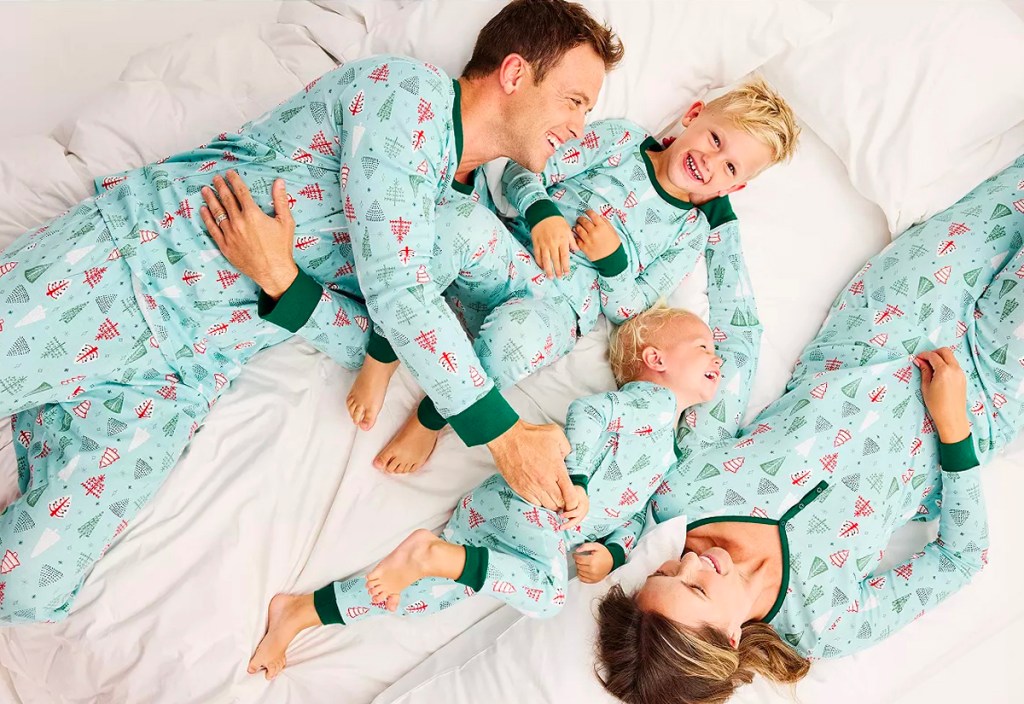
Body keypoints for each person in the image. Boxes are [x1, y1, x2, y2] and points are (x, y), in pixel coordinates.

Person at [0, 0, 622, 624]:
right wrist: (505, 434)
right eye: (574, 101)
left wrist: (285, 282)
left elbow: (381, 345)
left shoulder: (454, 213)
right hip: (127, 266)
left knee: (27, 587)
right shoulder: (404, 95)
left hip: (184, 372)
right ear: (515, 73)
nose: (580, 125)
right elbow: (397, 294)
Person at [245, 211, 762, 679]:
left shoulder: (668, 448)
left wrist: (612, 550)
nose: (715, 355)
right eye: (703, 347)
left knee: (416, 597)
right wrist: (577, 481)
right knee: (551, 594)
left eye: (670, 571)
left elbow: (634, 517)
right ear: (656, 361)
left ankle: (300, 612)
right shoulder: (649, 404)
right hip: (534, 503)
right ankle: (432, 558)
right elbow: (587, 415)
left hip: (517, 542)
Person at [593, 155, 1024, 703]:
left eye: (669, 572)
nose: (691, 561)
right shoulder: (823, 623)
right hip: (985, 396)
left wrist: (718, 218)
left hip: (893, 315)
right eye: (696, 586)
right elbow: (960, 559)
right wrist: (955, 431)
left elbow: (739, 344)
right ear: (728, 639)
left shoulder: (684, 493)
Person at [348, 79, 798, 475]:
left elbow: (632, 309)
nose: (712, 162)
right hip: (512, 253)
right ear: (694, 116)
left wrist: (613, 261)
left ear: (732, 189)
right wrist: (542, 213)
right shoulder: (622, 141)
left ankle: (432, 418)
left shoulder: (688, 233)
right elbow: (526, 168)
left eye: (731, 168)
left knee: (513, 344)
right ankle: (384, 349)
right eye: (715, 140)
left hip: (557, 310)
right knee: (456, 223)